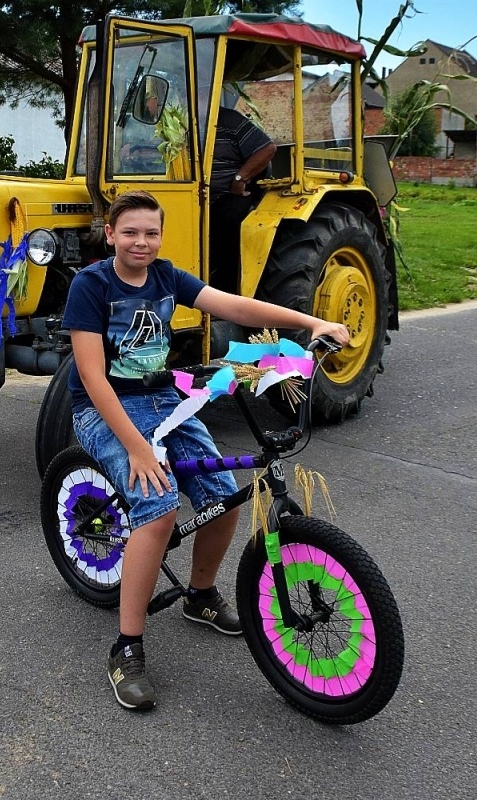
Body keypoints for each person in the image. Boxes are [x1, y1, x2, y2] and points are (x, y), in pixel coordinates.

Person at [62, 189, 350, 711]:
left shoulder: (168, 276)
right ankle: (127, 646)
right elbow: (90, 376)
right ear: (110, 235)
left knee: (223, 498)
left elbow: (233, 305)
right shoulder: (91, 285)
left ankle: (199, 595)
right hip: (106, 410)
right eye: (130, 232)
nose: (141, 242)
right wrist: (137, 449)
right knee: (158, 507)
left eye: (151, 232)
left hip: (165, 399)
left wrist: (310, 324)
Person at [209, 106, 277, 291]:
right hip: (195, 196)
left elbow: (267, 148)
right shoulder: (184, 122)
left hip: (228, 194)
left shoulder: (229, 120)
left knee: (226, 219)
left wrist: (240, 178)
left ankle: (226, 292)